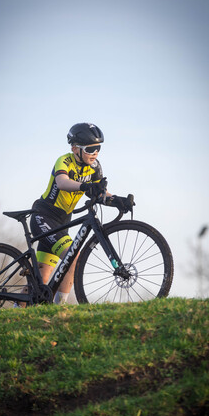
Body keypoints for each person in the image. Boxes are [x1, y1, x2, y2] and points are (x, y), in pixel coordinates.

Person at [30, 122, 132, 305]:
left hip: (62, 222)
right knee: (73, 256)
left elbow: (99, 193)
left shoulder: (94, 166)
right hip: (44, 216)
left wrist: (117, 200)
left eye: (98, 148)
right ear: (75, 148)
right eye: (91, 149)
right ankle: (60, 308)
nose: (95, 153)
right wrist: (86, 186)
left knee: (40, 284)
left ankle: (16, 309)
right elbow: (62, 182)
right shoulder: (64, 160)